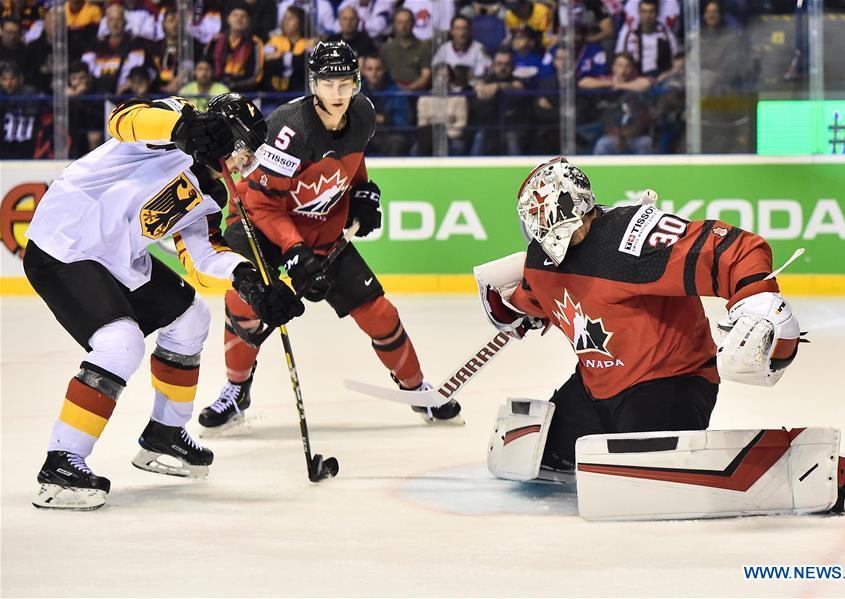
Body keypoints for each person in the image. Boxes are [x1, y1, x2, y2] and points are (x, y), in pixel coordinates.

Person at [24, 93, 303, 510]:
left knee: (191, 318)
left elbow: (202, 258)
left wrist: (248, 282)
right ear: (224, 135)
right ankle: (61, 462)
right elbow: (124, 119)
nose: (247, 164)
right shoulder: (174, 120)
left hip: (117, 258)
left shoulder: (212, 193)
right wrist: (183, 129)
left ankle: (164, 436)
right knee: (121, 343)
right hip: (65, 242)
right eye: (244, 151)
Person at [478, 157, 801, 476]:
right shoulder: (539, 261)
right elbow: (535, 299)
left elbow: (734, 249)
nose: (560, 239)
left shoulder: (632, 238)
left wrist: (756, 297)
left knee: (648, 473)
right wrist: (511, 307)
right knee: (533, 461)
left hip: (671, 383)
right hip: (595, 390)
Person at [200, 41, 463, 432]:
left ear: (356, 82)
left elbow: (351, 159)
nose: (336, 94)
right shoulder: (291, 130)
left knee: (381, 313)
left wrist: (361, 193)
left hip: (318, 228)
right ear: (314, 84)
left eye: (344, 84)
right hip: (259, 226)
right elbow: (264, 205)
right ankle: (236, 390)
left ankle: (416, 389)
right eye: (327, 84)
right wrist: (294, 251)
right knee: (244, 303)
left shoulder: (362, 113)